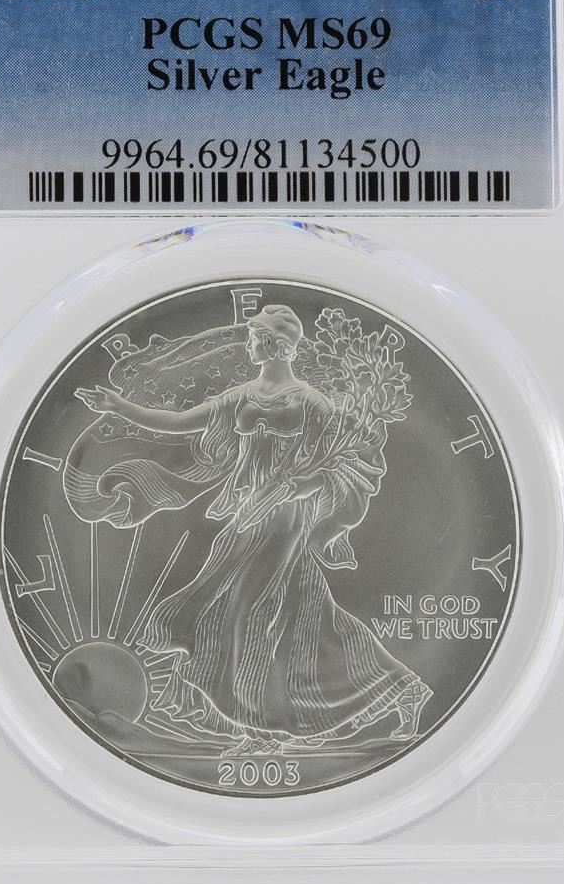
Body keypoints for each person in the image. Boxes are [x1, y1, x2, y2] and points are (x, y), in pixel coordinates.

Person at [75, 305, 430, 754]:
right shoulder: (241, 396)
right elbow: (181, 424)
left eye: (253, 337)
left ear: (273, 344)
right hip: (246, 515)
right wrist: (120, 407)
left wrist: (305, 484)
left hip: (285, 519)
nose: (248, 344)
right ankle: (399, 689)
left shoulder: (312, 403)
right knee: (302, 616)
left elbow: (345, 463)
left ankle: (261, 729)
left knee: (248, 612)